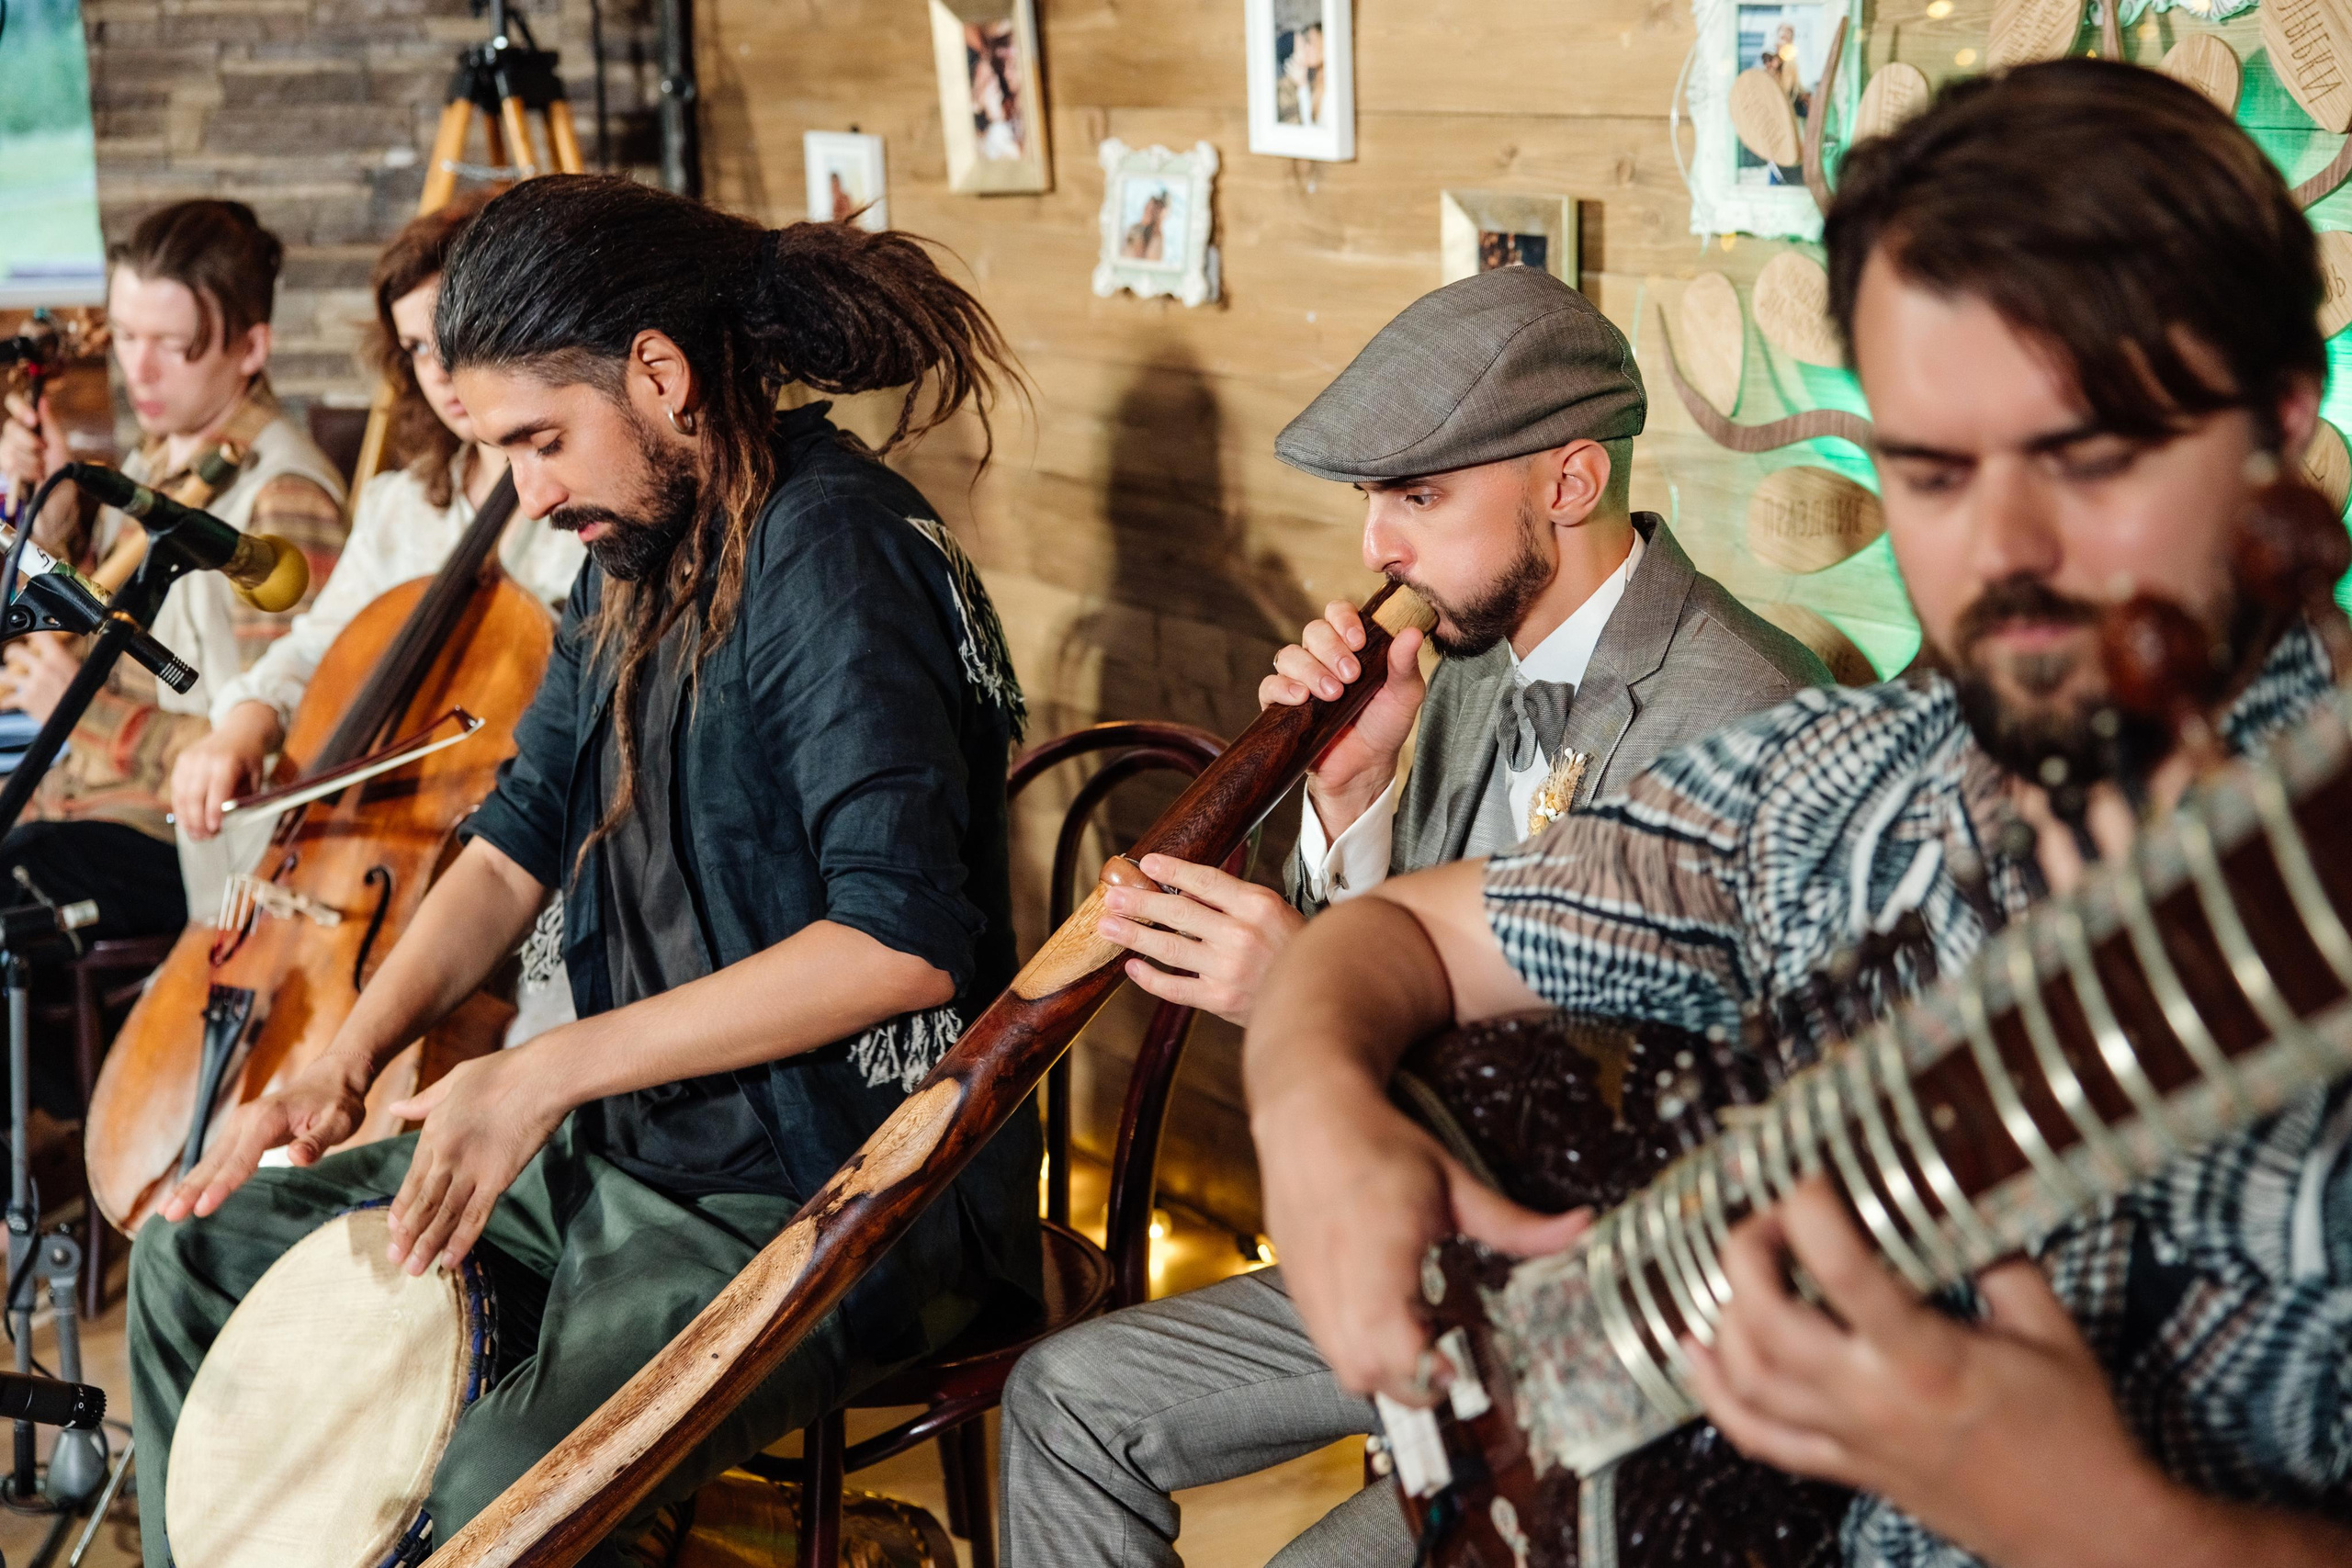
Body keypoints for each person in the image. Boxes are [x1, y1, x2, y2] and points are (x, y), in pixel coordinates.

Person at [1246, 62, 2352, 1568]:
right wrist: (1311, 1111)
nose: (2006, 551)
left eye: (2093, 452)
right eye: (1931, 469)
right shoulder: (1846, 783)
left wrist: (2106, 1525)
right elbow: (1398, 939)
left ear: (2283, 428)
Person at [125, 174, 1040, 1568]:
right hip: (636, 1156)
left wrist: (540, 1069)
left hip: (840, 1188)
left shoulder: (833, 553)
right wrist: (344, 1053)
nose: (528, 493)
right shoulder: (630, 556)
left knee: (498, 1485)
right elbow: (516, 837)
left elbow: (898, 943)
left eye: (543, 440)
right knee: (192, 1260)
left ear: (661, 376)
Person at [999, 265, 1830, 1566]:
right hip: (1431, 1244)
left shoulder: (1745, 714)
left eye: (1420, 496)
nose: (1378, 544)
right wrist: (1356, 786)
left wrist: (1299, 989)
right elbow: (1408, 935)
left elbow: (1642, 1149)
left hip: (1620, 1323)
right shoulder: (1471, 656)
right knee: (1064, 1401)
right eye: (1374, 498)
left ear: (1569, 484)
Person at [166, 196, 587, 1040]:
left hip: (535, 857)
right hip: (384, 844)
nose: (438, 369)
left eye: (451, 333)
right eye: (416, 349)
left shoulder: (584, 500)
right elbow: (322, 644)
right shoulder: (400, 505)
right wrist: (247, 716)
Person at [0, 199, 344, 1113]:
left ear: (250, 347)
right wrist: (46, 505)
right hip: (87, 813)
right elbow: (84, 617)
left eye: (175, 346)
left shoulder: (282, 499)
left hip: (176, 848)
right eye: (125, 337)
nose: (138, 371)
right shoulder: (163, 461)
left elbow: (292, 749)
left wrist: (93, 713)